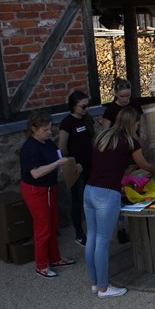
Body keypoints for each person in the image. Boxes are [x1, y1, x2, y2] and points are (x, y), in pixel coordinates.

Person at [85, 107, 155, 298]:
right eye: (137, 123)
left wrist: (124, 171)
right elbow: (144, 165)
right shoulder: (129, 141)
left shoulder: (103, 137)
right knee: (102, 241)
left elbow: (107, 163)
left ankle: (94, 283)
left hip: (89, 190)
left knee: (92, 239)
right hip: (107, 194)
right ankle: (103, 287)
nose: (138, 126)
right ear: (132, 123)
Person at [19, 112, 75, 279]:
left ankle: (55, 258)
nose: (49, 132)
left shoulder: (47, 143)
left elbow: (54, 159)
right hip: (36, 190)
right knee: (42, 228)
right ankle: (42, 265)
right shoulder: (30, 148)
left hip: (50, 188)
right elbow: (35, 173)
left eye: (50, 129)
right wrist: (57, 164)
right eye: (45, 130)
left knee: (53, 224)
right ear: (33, 129)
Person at [58, 90, 95, 247]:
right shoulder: (67, 123)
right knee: (78, 200)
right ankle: (79, 233)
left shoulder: (88, 119)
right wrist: (72, 163)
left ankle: (93, 229)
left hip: (90, 163)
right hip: (76, 167)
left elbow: (92, 139)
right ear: (74, 107)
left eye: (88, 105)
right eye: (83, 106)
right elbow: (62, 147)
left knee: (91, 198)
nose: (86, 109)